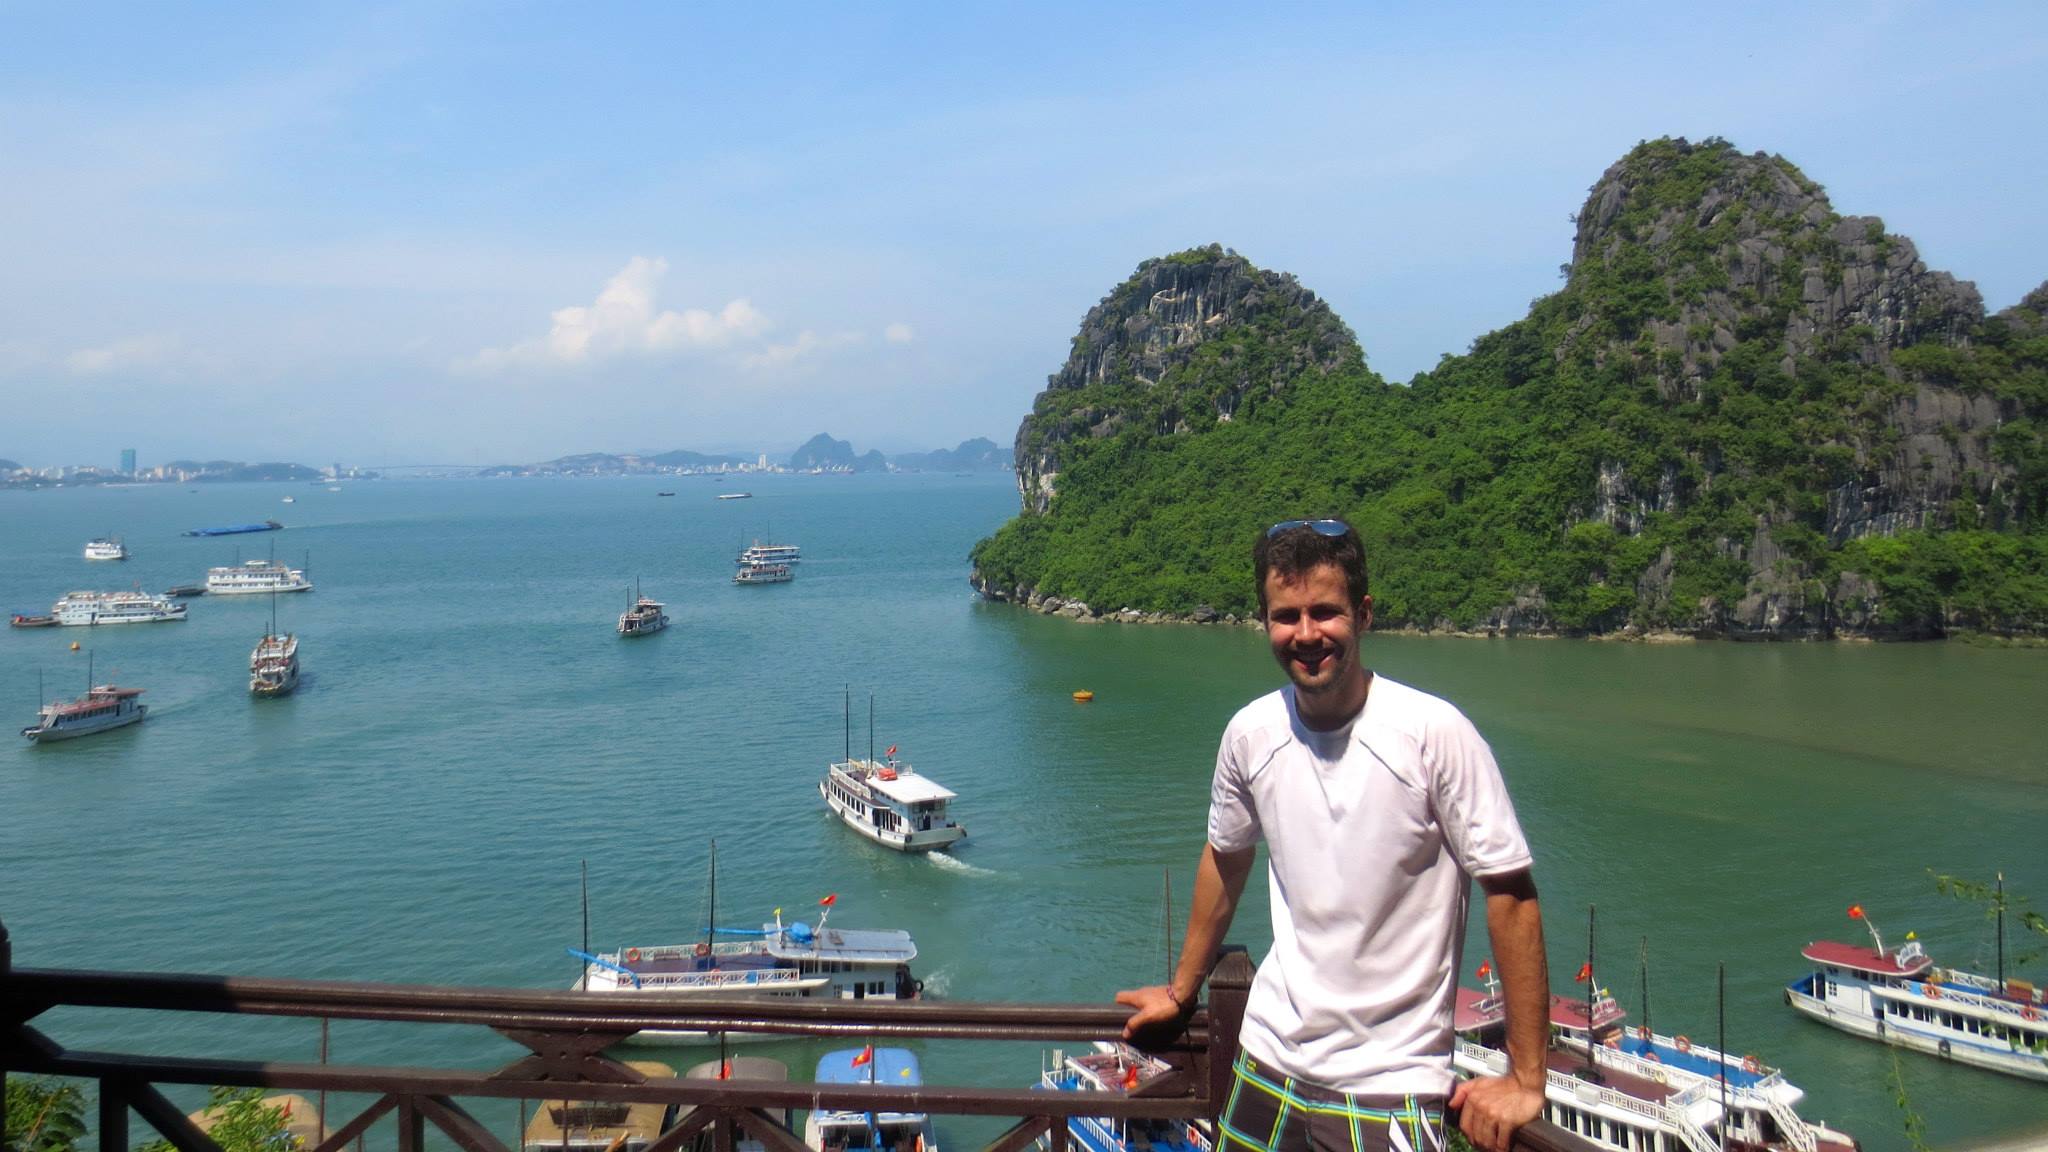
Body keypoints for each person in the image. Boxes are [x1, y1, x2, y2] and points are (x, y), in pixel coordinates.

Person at [1116, 519, 1548, 1152]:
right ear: (1264, 620)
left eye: (1326, 612)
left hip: (1390, 1086)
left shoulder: (1432, 734)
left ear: (1364, 614)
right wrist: (1183, 993)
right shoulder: (1250, 734)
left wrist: (1526, 1076)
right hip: (1264, 1064)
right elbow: (1226, 857)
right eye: (1286, 616)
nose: (1306, 634)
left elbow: (1509, 891)